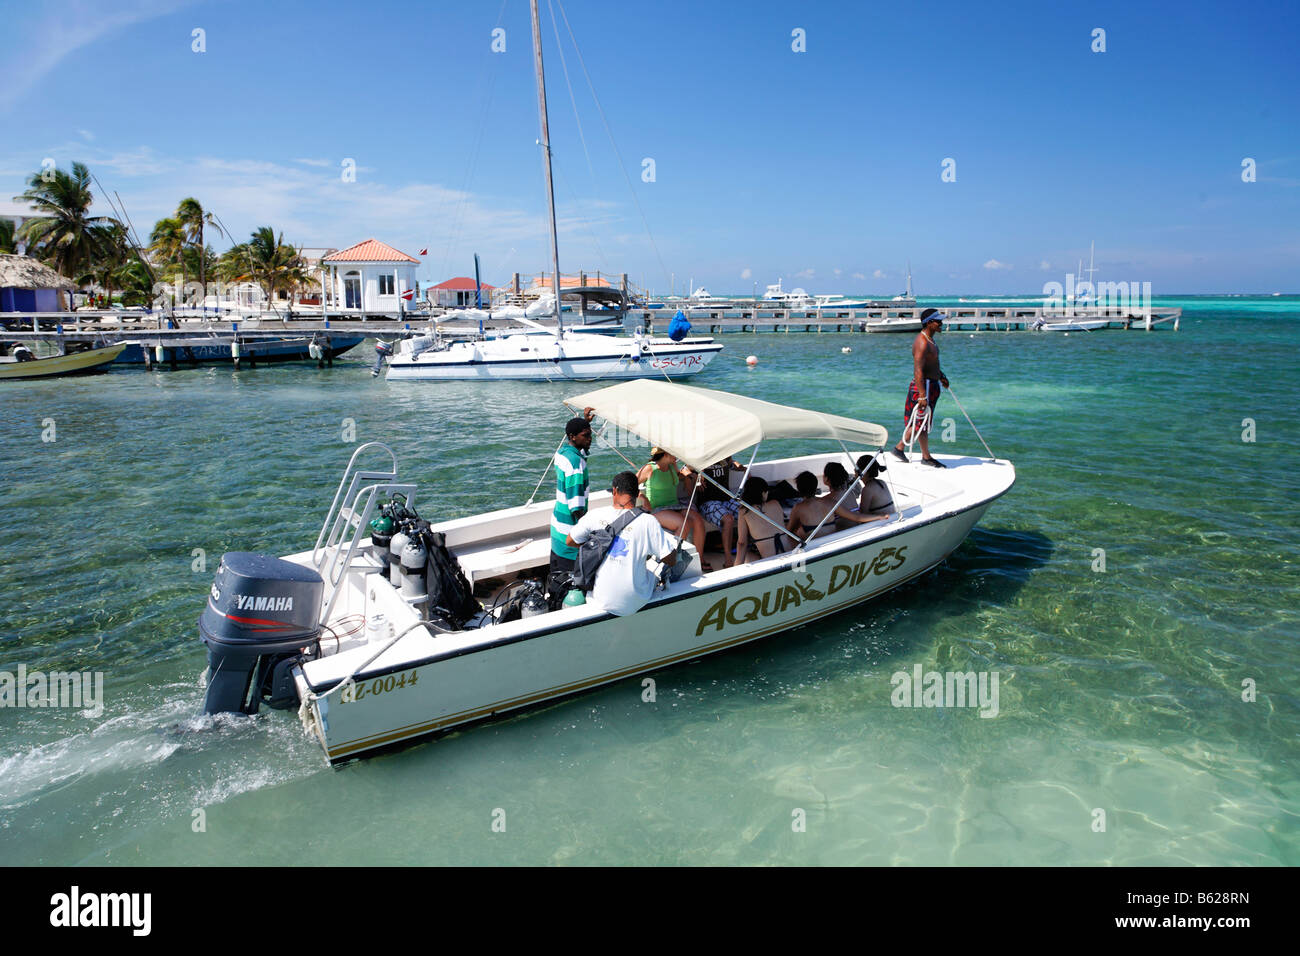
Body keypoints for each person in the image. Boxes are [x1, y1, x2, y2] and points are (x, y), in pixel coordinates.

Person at [566, 471, 679, 616]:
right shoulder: (648, 522)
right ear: (638, 494)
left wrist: (595, 545)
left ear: (614, 490)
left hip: (600, 601)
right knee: (653, 570)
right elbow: (671, 559)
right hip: (636, 601)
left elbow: (570, 541)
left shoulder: (595, 515)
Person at [548, 407, 595, 605]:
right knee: (571, 583)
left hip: (557, 528)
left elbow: (578, 446)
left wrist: (585, 423)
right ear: (572, 437)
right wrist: (587, 534)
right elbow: (577, 506)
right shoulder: (576, 463)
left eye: (590, 435)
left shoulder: (562, 453)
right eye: (585, 436)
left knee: (555, 579)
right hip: (569, 533)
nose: (590, 439)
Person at [891, 308, 950, 467]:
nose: (941, 323)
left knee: (923, 422)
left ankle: (925, 456)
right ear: (929, 323)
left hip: (932, 385)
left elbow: (931, 365)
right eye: (938, 321)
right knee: (919, 422)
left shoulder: (931, 340)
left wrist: (941, 377)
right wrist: (922, 395)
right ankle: (899, 447)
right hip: (924, 387)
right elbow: (918, 370)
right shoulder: (922, 342)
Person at [636, 447, 710, 565]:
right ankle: (672, 562)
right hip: (657, 510)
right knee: (683, 523)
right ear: (665, 455)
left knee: (698, 520)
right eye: (674, 453)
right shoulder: (649, 468)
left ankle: (700, 560)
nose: (677, 456)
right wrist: (643, 497)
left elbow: (679, 476)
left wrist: (689, 476)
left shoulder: (672, 466)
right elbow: (632, 485)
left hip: (675, 506)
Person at [787, 468, 886, 540]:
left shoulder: (798, 508)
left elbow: (789, 533)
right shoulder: (830, 503)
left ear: (799, 489)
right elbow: (857, 517)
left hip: (813, 545)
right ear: (815, 486)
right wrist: (879, 516)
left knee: (798, 530)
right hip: (833, 541)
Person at [692, 456, 745, 566]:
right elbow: (684, 468)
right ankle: (728, 560)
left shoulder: (724, 453)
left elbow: (731, 463)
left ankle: (748, 546)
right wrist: (696, 476)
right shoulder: (701, 456)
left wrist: (740, 467)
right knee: (728, 519)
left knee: (746, 511)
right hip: (707, 502)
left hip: (726, 498)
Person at [734, 476, 791, 563]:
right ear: (763, 493)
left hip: (769, 560)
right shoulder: (776, 503)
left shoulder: (744, 511)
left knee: (748, 555)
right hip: (788, 554)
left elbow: (742, 543)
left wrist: (737, 566)